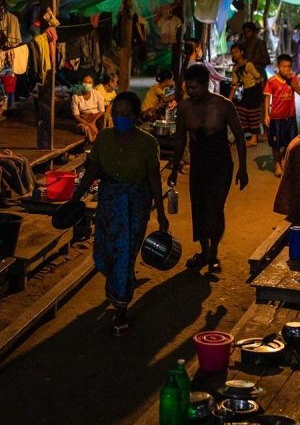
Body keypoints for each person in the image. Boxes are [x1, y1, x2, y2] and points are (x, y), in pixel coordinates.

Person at [68, 92, 169, 335]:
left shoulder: (148, 143)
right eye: (117, 114)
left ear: (135, 117)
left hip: (136, 204)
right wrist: (75, 197)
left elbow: (154, 179)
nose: (121, 118)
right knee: (106, 253)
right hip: (110, 203)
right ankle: (119, 286)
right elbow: (93, 169)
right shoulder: (104, 138)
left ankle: (121, 309)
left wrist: (162, 213)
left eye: (126, 115)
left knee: (125, 254)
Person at [170, 64, 249, 273]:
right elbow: (180, 140)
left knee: (215, 208)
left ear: (206, 85)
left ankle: (213, 252)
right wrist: (173, 167)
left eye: (195, 87)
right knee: (199, 208)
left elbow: (240, 137)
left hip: (221, 163)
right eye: (188, 87)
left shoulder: (224, 106)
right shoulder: (185, 108)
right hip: (199, 164)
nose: (190, 91)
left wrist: (243, 168)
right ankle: (205, 251)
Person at [264, 54, 300, 177]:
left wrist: (291, 81)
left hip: (290, 116)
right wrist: (266, 114)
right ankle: (277, 164)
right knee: (276, 144)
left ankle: (282, 159)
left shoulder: (293, 78)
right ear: (278, 67)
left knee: (291, 143)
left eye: (288, 67)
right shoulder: (272, 81)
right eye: (283, 66)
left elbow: (299, 91)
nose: (286, 69)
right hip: (276, 118)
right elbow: (267, 97)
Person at [230, 43, 264, 145]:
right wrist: (229, 99)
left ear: (242, 52)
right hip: (247, 91)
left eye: (236, 52)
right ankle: (248, 136)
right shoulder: (235, 68)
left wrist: (261, 92)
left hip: (254, 90)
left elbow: (259, 77)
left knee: (253, 113)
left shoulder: (248, 65)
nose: (234, 54)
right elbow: (234, 84)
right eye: (232, 53)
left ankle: (254, 138)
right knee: (241, 111)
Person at [71, 75, 106, 142]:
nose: (88, 84)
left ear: (92, 84)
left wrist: (94, 121)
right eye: (85, 82)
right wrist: (89, 124)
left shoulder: (97, 94)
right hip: (83, 120)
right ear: (81, 84)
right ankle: (93, 144)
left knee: (106, 117)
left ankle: (107, 139)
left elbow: (102, 110)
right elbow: (76, 116)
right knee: (86, 128)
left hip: (96, 117)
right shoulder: (75, 97)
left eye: (90, 82)